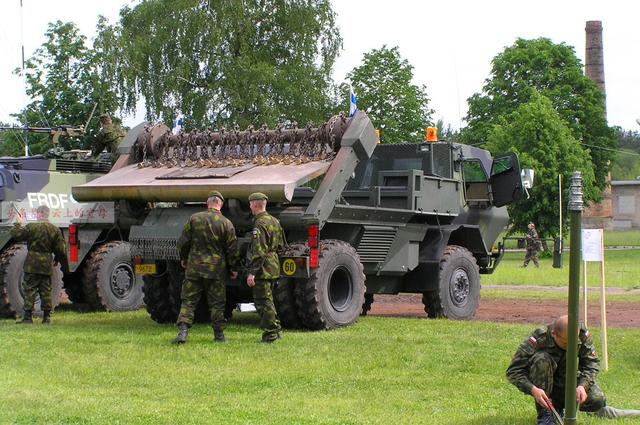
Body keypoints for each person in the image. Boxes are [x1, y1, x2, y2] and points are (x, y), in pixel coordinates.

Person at [506, 315, 640, 424]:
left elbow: (591, 364)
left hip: (569, 381)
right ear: (554, 334)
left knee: (597, 400)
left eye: (573, 343)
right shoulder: (540, 337)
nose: (570, 346)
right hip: (546, 386)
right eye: (565, 343)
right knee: (542, 359)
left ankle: (598, 411)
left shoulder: (581, 334)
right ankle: (546, 413)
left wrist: (582, 386)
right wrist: (533, 389)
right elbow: (514, 371)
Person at [173, 190, 239, 344]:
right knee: (217, 303)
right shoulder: (226, 223)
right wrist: (233, 268)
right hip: (216, 270)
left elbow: (182, 243)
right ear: (220, 204)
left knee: (188, 300)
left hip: (194, 268)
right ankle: (219, 336)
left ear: (207, 203)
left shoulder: (194, 219)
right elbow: (232, 250)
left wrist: (184, 259)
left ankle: (182, 333)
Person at [10, 205, 66, 324]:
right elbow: (61, 249)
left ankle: (28, 318)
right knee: (46, 290)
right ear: (47, 214)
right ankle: (46, 318)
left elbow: (16, 235)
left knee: (29, 289)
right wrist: (57, 259)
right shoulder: (55, 229)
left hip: (32, 263)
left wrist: (18, 223)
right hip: (46, 263)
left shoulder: (31, 227)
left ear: (39, 214)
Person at [246, 192, 285, 343]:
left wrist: (252, 273)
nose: (250, 207)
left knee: (263, 302)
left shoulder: (259, 224)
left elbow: (259, 251)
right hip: (273, 265)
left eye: (250, 204)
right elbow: (281, 246)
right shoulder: (275, 221)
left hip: (263, 268)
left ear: (254, 205)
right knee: (269, 300)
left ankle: (270, 334)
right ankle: (277, 329)